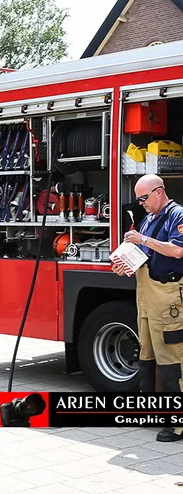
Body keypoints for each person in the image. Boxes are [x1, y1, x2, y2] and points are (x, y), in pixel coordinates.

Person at [114, 174, 183, 442]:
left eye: (143, 197)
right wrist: (123, 265)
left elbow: (177, 251)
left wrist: (142, 239)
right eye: (138, 199)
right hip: (145, 295)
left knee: (172, 359)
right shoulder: (149, 218)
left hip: (168, 297)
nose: (140, 203)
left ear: (159, 192)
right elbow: (143, 255)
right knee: (147, 355)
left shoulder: (177, 215)